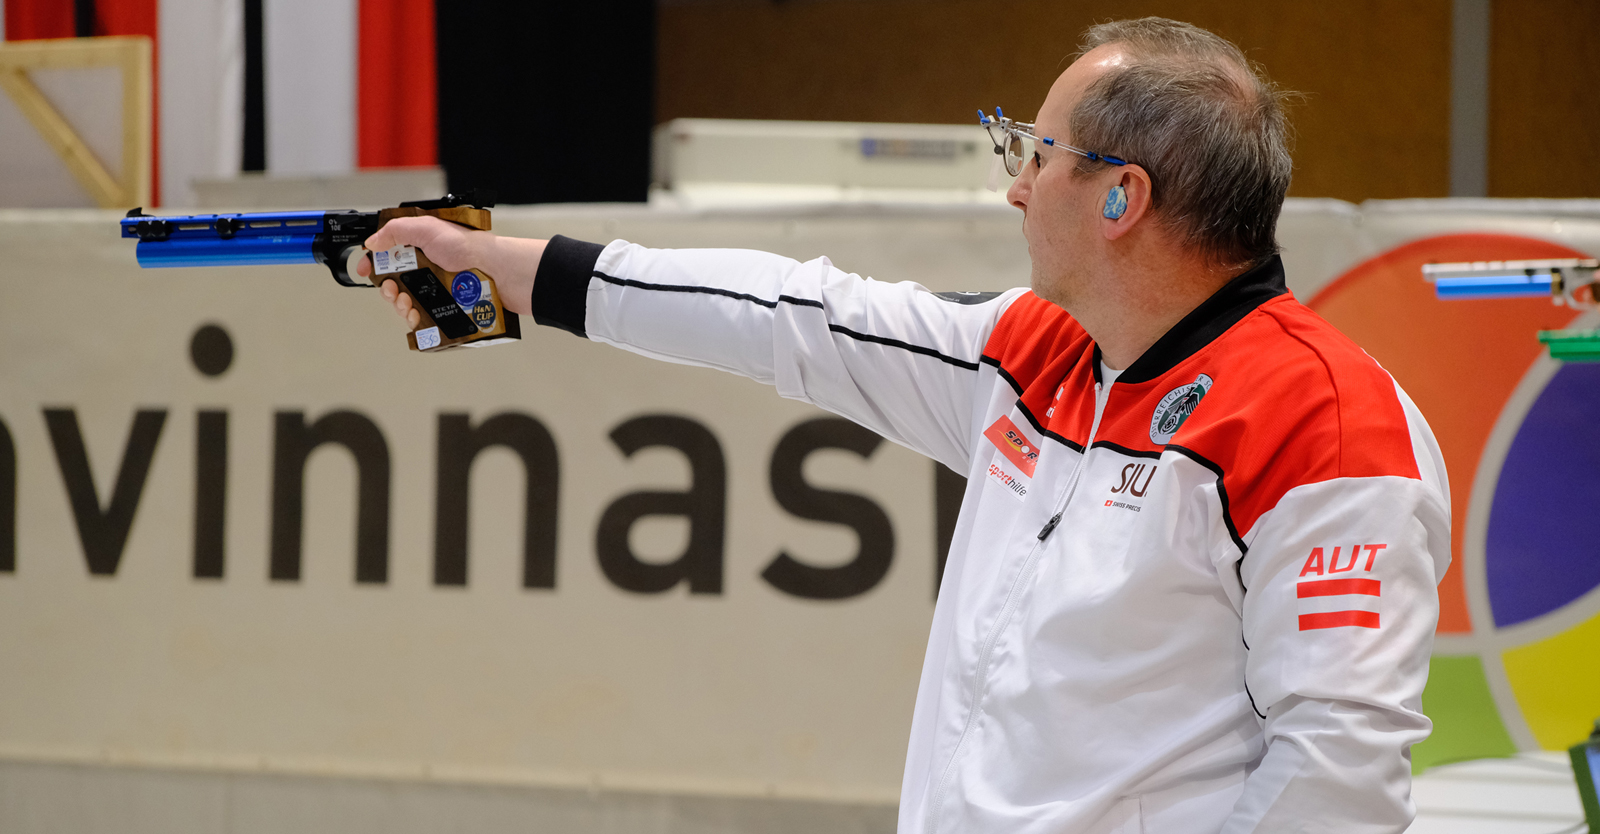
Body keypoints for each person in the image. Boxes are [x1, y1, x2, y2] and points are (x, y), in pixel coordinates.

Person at [360, 17, 1450, 834]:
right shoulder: (1035, 350)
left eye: (1033, 150)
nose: (1014, 189)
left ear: (1119, 199)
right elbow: (794, 318)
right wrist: (511, 272)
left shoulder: (1332, 429)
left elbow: (1336, 779)